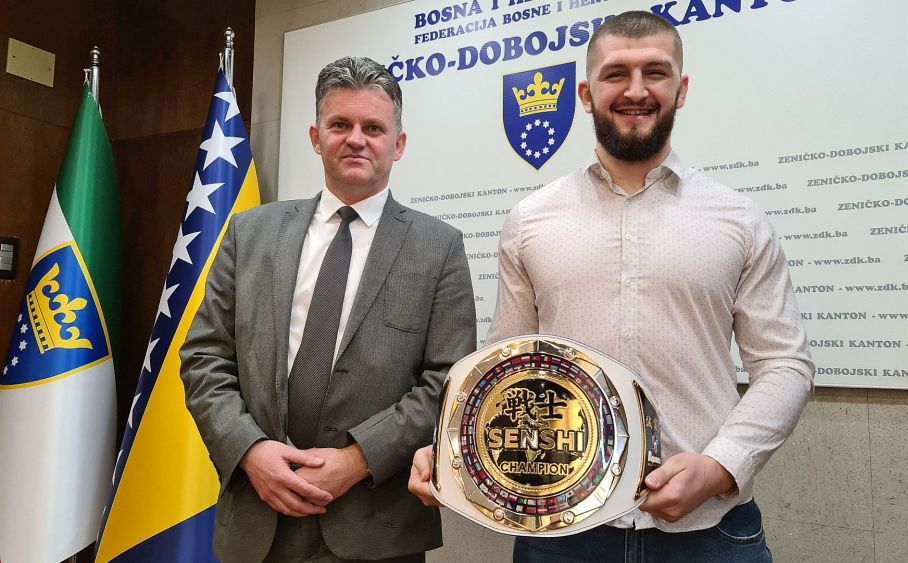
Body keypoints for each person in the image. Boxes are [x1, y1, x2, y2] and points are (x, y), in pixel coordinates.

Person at [408, 11, 814, 562]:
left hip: (707, 532)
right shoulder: (529, 221)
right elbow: (505, 367)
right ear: (586, 93)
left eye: (656, 72)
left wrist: (722, 465)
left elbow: (785, 364)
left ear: (681, 89)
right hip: (561, 534)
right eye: (616, 73)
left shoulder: (739, 220)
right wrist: (450, 447)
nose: (636, 91)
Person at [181, 56, 476, 563]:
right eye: (340, 125)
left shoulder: (439, 247)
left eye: (373, 128)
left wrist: (358, 460)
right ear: (316, 138)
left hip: (376, 524)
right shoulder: (250, 233)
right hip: (257, 518)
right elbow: (204, 357)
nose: (356, 139)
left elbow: (448, 382)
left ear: (398, 144)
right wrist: (250, 451)